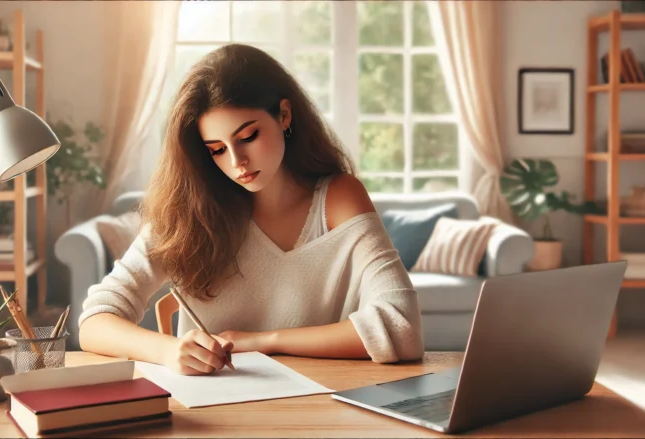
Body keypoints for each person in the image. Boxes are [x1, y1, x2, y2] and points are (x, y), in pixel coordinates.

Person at [78, 44, 424, 376]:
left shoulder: (338, 198)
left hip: (318, 409)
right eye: (216, 149)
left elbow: (402, 327)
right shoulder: (190, 212)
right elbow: (95, 321)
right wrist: (169, 350)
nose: (236, 161)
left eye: (247, 136)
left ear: (284, 115)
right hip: (210, 416)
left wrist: (265, 342)